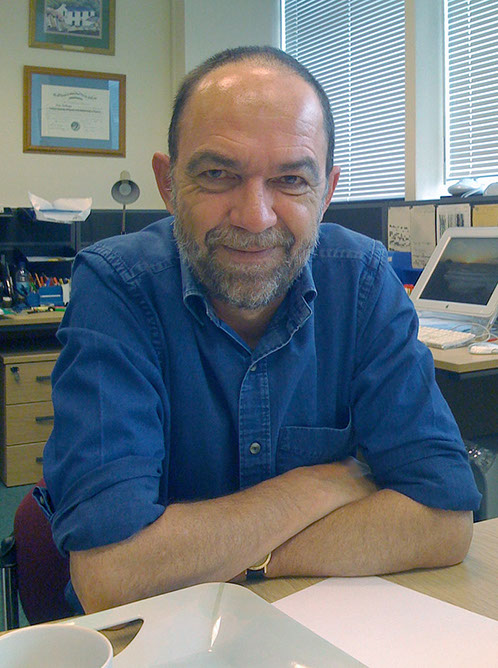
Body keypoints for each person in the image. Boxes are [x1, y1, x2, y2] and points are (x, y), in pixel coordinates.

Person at [37, 46, 481, 614]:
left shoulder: (363, 281)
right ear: (168, 183)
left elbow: (444, 520)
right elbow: (112, 573)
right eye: (218, 175)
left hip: (325, 626)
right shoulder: (117, 285)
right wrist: (318, 486)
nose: (255, 217)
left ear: (326, 192)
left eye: (291, 179)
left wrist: (241, 555)